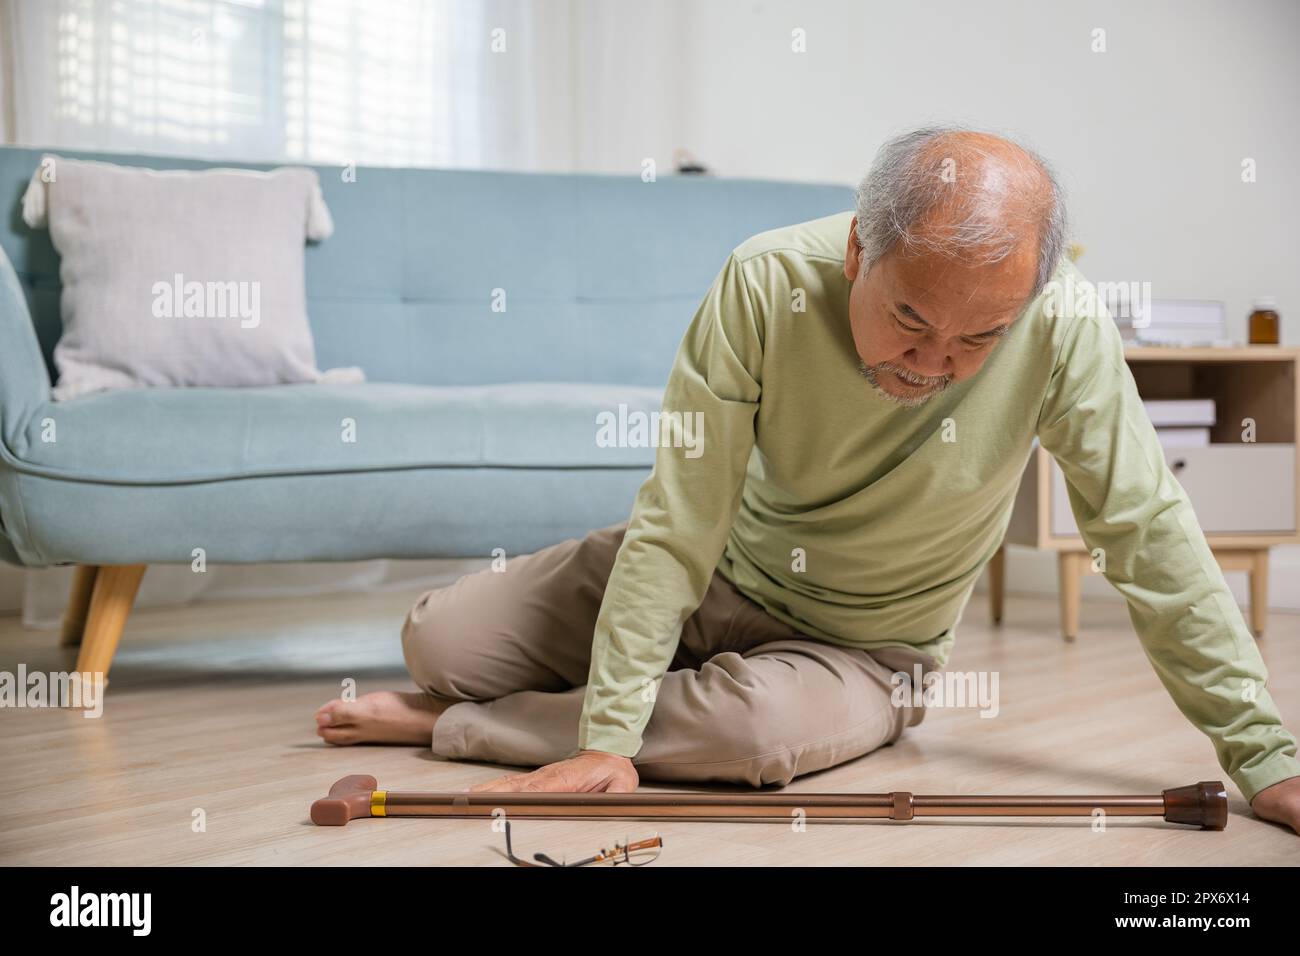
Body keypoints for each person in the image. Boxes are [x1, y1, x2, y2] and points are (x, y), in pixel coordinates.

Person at [315, 126, 1300, 835]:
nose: (936, 361)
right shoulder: (764, 282)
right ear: (858, 250)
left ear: (1032, 299)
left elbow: (1148, 535)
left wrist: (1264, 757)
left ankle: (465, 722)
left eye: (979, 338)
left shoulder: (1066, 326)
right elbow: (677, 519)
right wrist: (610, 731)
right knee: (438, 634)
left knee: (751, 735)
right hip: (718, 572)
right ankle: (552, 703)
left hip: (866, 652)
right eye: (912, 320)